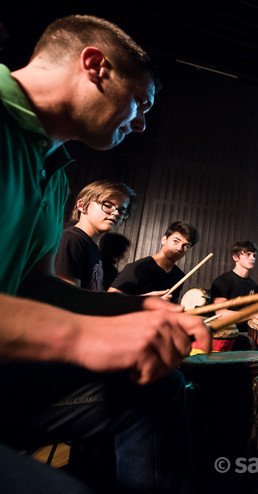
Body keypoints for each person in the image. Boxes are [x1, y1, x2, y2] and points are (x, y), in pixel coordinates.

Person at [0, 15, 210, 493]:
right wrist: (83, 336)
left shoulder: (53, 171)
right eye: (140, 104)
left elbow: (35, 288)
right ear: (94, 65)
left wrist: (135, 308)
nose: (139, 125)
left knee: (159, 389)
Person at [55, 180, 134, 291]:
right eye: (108, 205)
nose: (116, 213)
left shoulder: (93, 248)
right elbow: (67, 295)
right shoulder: (71, 240)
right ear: (82, 205)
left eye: (121, 211)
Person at [209, 241, 258, 349]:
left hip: (248, 330)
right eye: (247, 254)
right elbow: (221, 314)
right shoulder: (222, 281)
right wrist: (254, 314)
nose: (252, 258)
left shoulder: (253, 285)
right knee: (251, 343)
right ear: (235, 257)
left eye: (254, 255)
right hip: (227, 333)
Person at [109, 221, 199, 301]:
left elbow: (173, 306)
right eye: (176, 241)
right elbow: (110, 298)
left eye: (186, 245)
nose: (179, 248)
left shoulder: (179, 275)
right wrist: (144, 301)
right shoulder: (140, 267)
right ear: (164, 240)